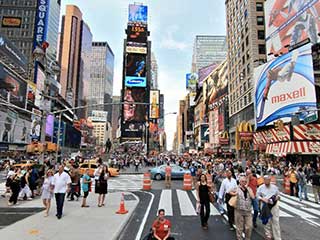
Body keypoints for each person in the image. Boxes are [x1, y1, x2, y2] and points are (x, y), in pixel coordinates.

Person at [257, 175, 281, 240]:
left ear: (270, 180)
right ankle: (268, 235)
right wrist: (262, 199)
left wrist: (277, 197)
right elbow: (257, 196)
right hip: (265, 205)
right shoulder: (260, 187)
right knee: (266, 221)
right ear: (263, 180)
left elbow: (278, 195)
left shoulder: (274, 187)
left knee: (275, 221)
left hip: (274, 205)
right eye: (265, 180)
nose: (266, 181)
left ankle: (277, 237)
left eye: (268, 180)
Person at [233, 176, 255, 240]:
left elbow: (253, 197)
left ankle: (247, 238)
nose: (244, 183)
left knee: (249, 226)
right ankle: (239, 238)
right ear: (239, 182)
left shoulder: (249, 189)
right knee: (239, 227)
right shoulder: (236, 188)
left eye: (245, 181)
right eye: (242, 181)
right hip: (239, 210)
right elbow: (229, 192)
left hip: (248, 210)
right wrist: (234, 194)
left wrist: (248, 189)